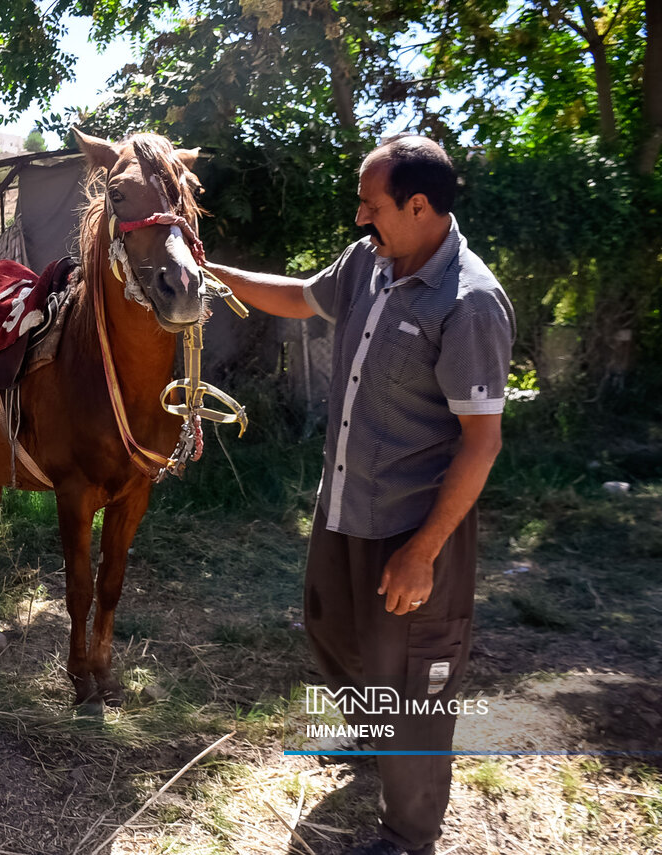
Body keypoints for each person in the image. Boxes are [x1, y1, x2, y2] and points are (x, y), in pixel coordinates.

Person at [203, 135, 514, 855]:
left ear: (418, 205)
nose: (357, 218)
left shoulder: (468, 303)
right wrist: (214, 272)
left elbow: (482, 441)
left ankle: (409, 834)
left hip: (409, 528)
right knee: (332, 632)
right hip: (343, 508)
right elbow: (299, 297)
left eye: (370, 205)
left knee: (412, 687)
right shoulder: (369, 264)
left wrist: (424, 552)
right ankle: (377, 744)